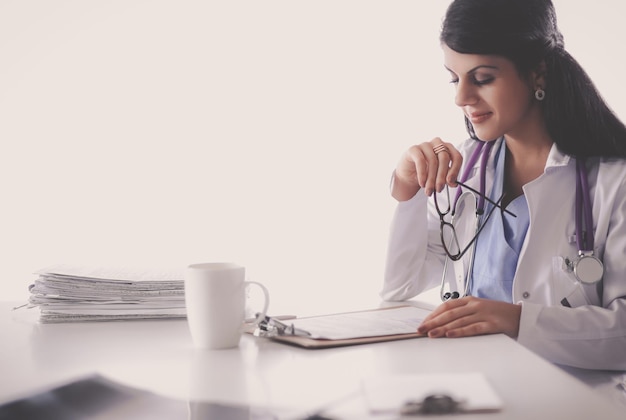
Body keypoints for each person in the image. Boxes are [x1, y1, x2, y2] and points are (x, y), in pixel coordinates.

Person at [381, 0, 626, 405]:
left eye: (482, 77)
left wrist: (518, 321)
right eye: (454, 78)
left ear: (537, 72)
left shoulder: (613, 183)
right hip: (476, 394)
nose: (461, 97)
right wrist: (406, 188)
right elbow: (399, 286)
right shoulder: (464, 168)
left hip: (578, 404)